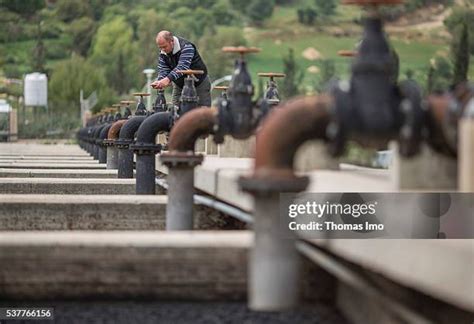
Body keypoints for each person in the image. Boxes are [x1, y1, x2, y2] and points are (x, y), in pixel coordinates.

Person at [151, 30, 211, 108]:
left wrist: (167, 79)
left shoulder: (187, 47)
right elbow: (163, 69)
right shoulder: (163, 52)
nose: (163, 50)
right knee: (175, 111)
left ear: (171, 42)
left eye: (164, 46)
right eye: (160, 47)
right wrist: (160, 81)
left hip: (199, 84)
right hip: (179, 84)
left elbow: (182, 67)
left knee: (203, 113)